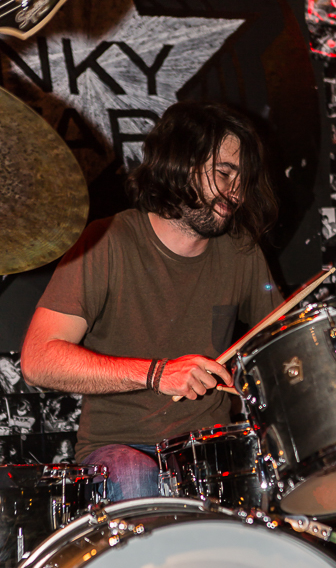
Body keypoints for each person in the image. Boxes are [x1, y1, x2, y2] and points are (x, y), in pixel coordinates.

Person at [21, 101, 281, 501]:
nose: (236, 191)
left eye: (243, 180)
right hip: (121, 447)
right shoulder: (108, 240)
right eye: (224, 173)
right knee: (134, 474)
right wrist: (158, 373)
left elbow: (282, 344)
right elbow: (39, 360)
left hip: (210, 451)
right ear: (181, 163)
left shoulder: (241, 251)